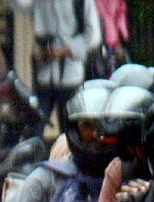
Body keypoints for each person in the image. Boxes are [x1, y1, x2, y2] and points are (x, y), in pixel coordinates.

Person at [11, 0, 101, 137]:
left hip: (71, 76)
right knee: (35, 130)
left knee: (70, 134)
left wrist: (66, 49)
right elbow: (19, 5)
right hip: (44, 74)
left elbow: (94, 36)